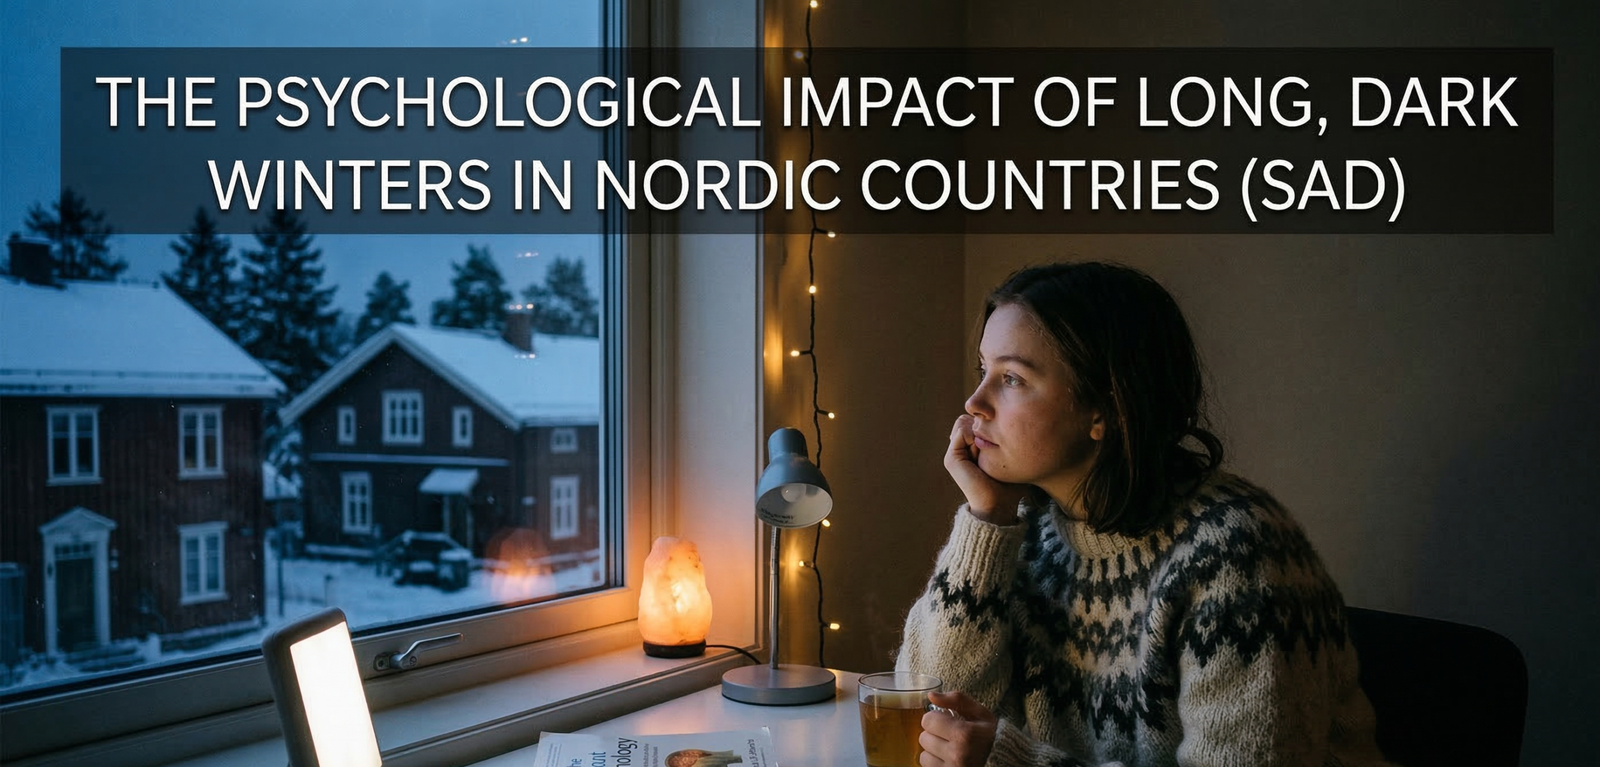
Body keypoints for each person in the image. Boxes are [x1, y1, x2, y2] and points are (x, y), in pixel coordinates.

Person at [896, 262, 1394, 767]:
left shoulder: (1237, 550)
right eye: (983, 371)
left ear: (1106, 409)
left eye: (1011, 378)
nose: (974, 402)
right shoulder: (1024, 530)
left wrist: (1014, 763)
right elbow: (931, 709)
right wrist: (987, 520)